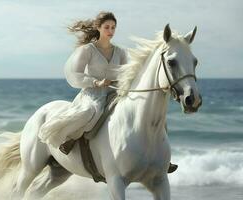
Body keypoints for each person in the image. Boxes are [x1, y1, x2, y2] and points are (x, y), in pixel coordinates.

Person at [38, 11, 177, 173]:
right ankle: (69, 139)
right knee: (90, 113)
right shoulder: (88, 50)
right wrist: (95, 82)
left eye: (113, 27)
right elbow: (74, 73)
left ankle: (162, 158)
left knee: (153, 115)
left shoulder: (120, 52)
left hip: (115, 93)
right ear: (98, 28)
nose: (110, 31)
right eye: (107, 27)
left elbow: (128, 73)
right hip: (93, 94)